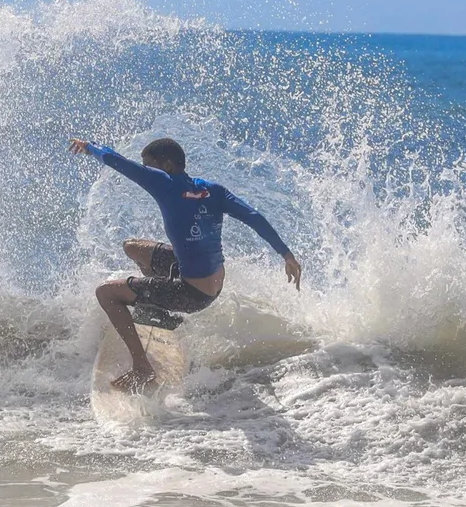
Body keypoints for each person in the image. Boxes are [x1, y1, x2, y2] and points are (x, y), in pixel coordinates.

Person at [68, 136, 302, 391]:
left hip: (191, 294)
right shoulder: (214, 190)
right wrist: (286, 255)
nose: (145, 169)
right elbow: (254, 217)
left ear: (166, 165)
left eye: (149, 165)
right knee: (133, 248)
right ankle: (157, 310)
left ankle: (142, 368)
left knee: (106, 293)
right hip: (211, 283)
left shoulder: (163, 183)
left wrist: (89, 147)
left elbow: (117, 161)